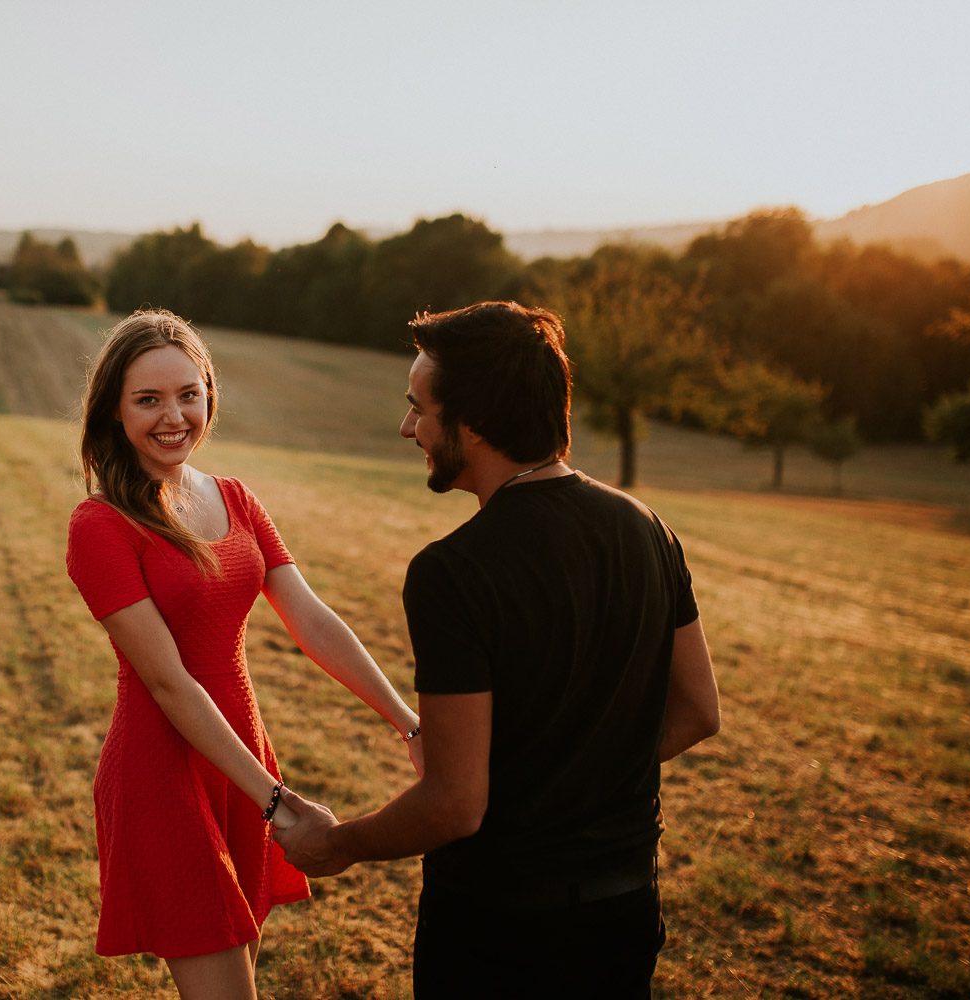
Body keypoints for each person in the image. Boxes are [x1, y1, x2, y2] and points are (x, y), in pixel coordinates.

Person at [274, 301, 721, 998]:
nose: (407, 427)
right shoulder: (647, 528)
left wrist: (339, 844)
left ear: (473, 421)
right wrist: (572, 771)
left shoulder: (453, 571)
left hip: (500, 936)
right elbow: (698, 711)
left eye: (420, 409)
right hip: (625, 915)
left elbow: (456, 804)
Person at [64, 309, 423, 1000]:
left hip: (243, 761)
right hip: (164, 772)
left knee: (239, 971)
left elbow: (312, 622)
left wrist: (409, 724)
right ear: (113, 409)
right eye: (148, 399)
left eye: (188, 393)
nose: (174, 416)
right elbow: (168, 684)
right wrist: (279, 803)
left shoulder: (234, 497)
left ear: (209, 392)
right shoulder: (100, 525)